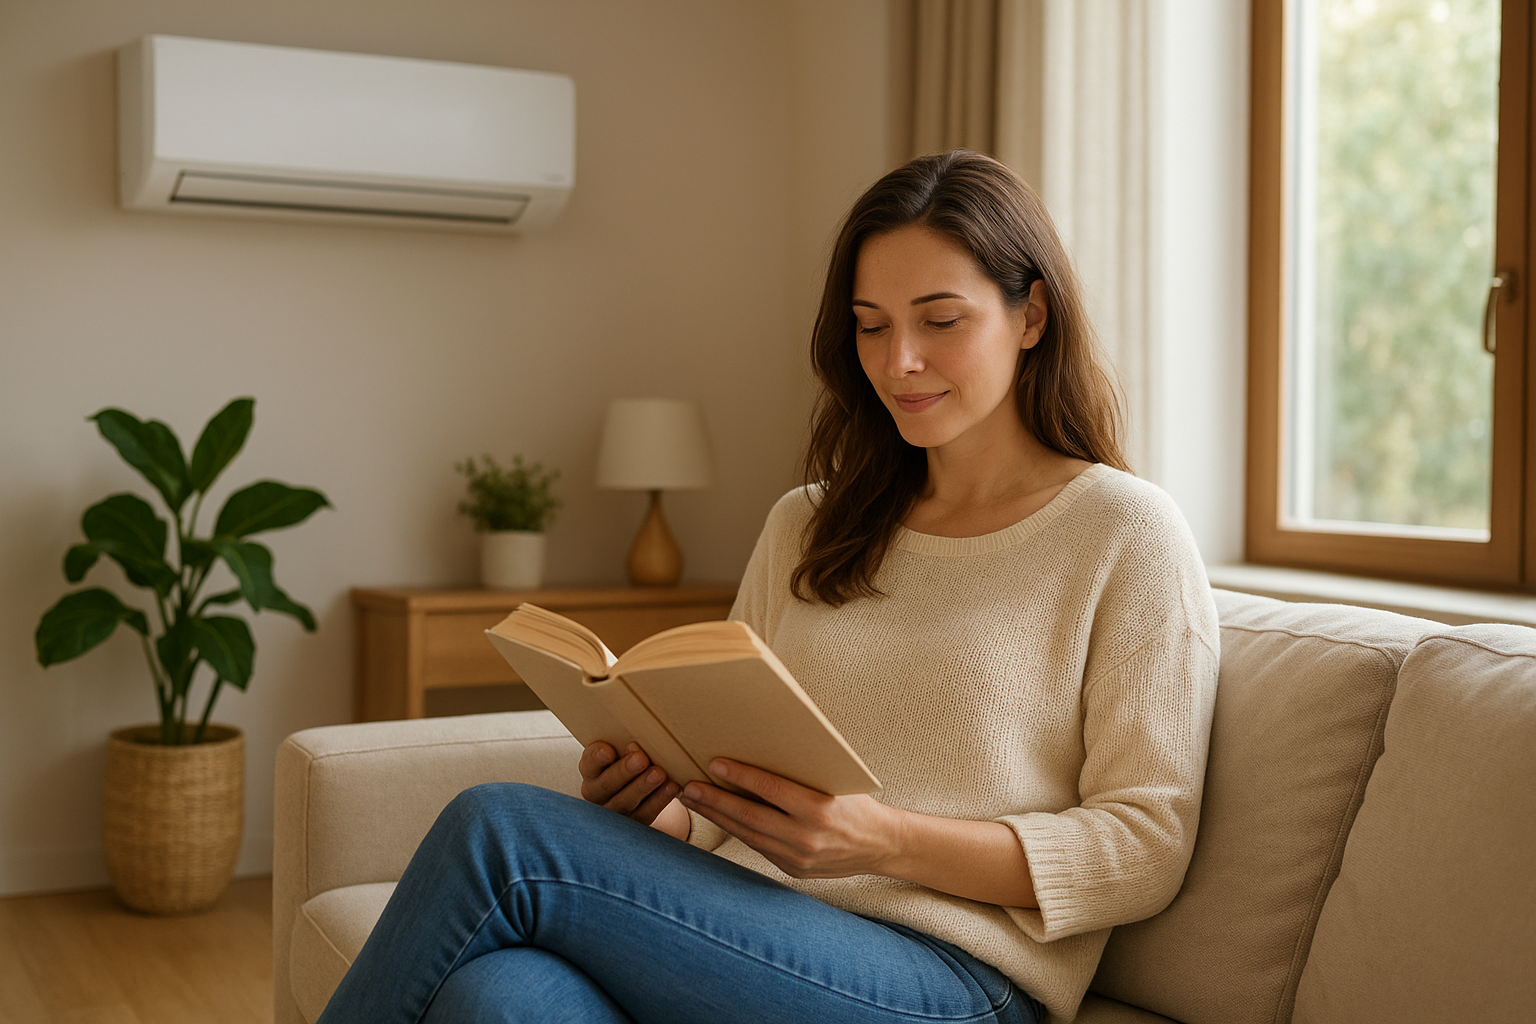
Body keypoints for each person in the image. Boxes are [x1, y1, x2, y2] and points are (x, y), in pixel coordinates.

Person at [317, 150, 1218, 1024]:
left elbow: (1144, 846)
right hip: (749, 938)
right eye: (871, 325)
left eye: (940, 321)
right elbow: (724, 813)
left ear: (1032, 316)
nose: (899, 361)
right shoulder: (807, 524)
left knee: (499, 832)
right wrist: (661, 809)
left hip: (951, 978)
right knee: (498, 997)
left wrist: (884, 839)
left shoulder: (1123, 532)